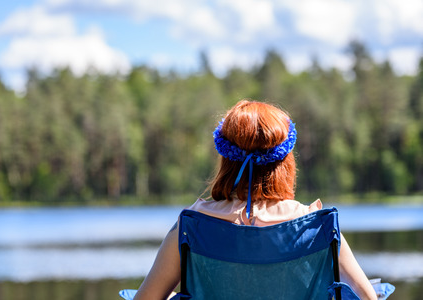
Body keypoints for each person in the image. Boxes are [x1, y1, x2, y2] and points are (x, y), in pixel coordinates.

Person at [132, 100, 378, 300]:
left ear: (226, 161)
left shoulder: (191, 226)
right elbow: (368, 297)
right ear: (286, 162)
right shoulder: (315, 225)